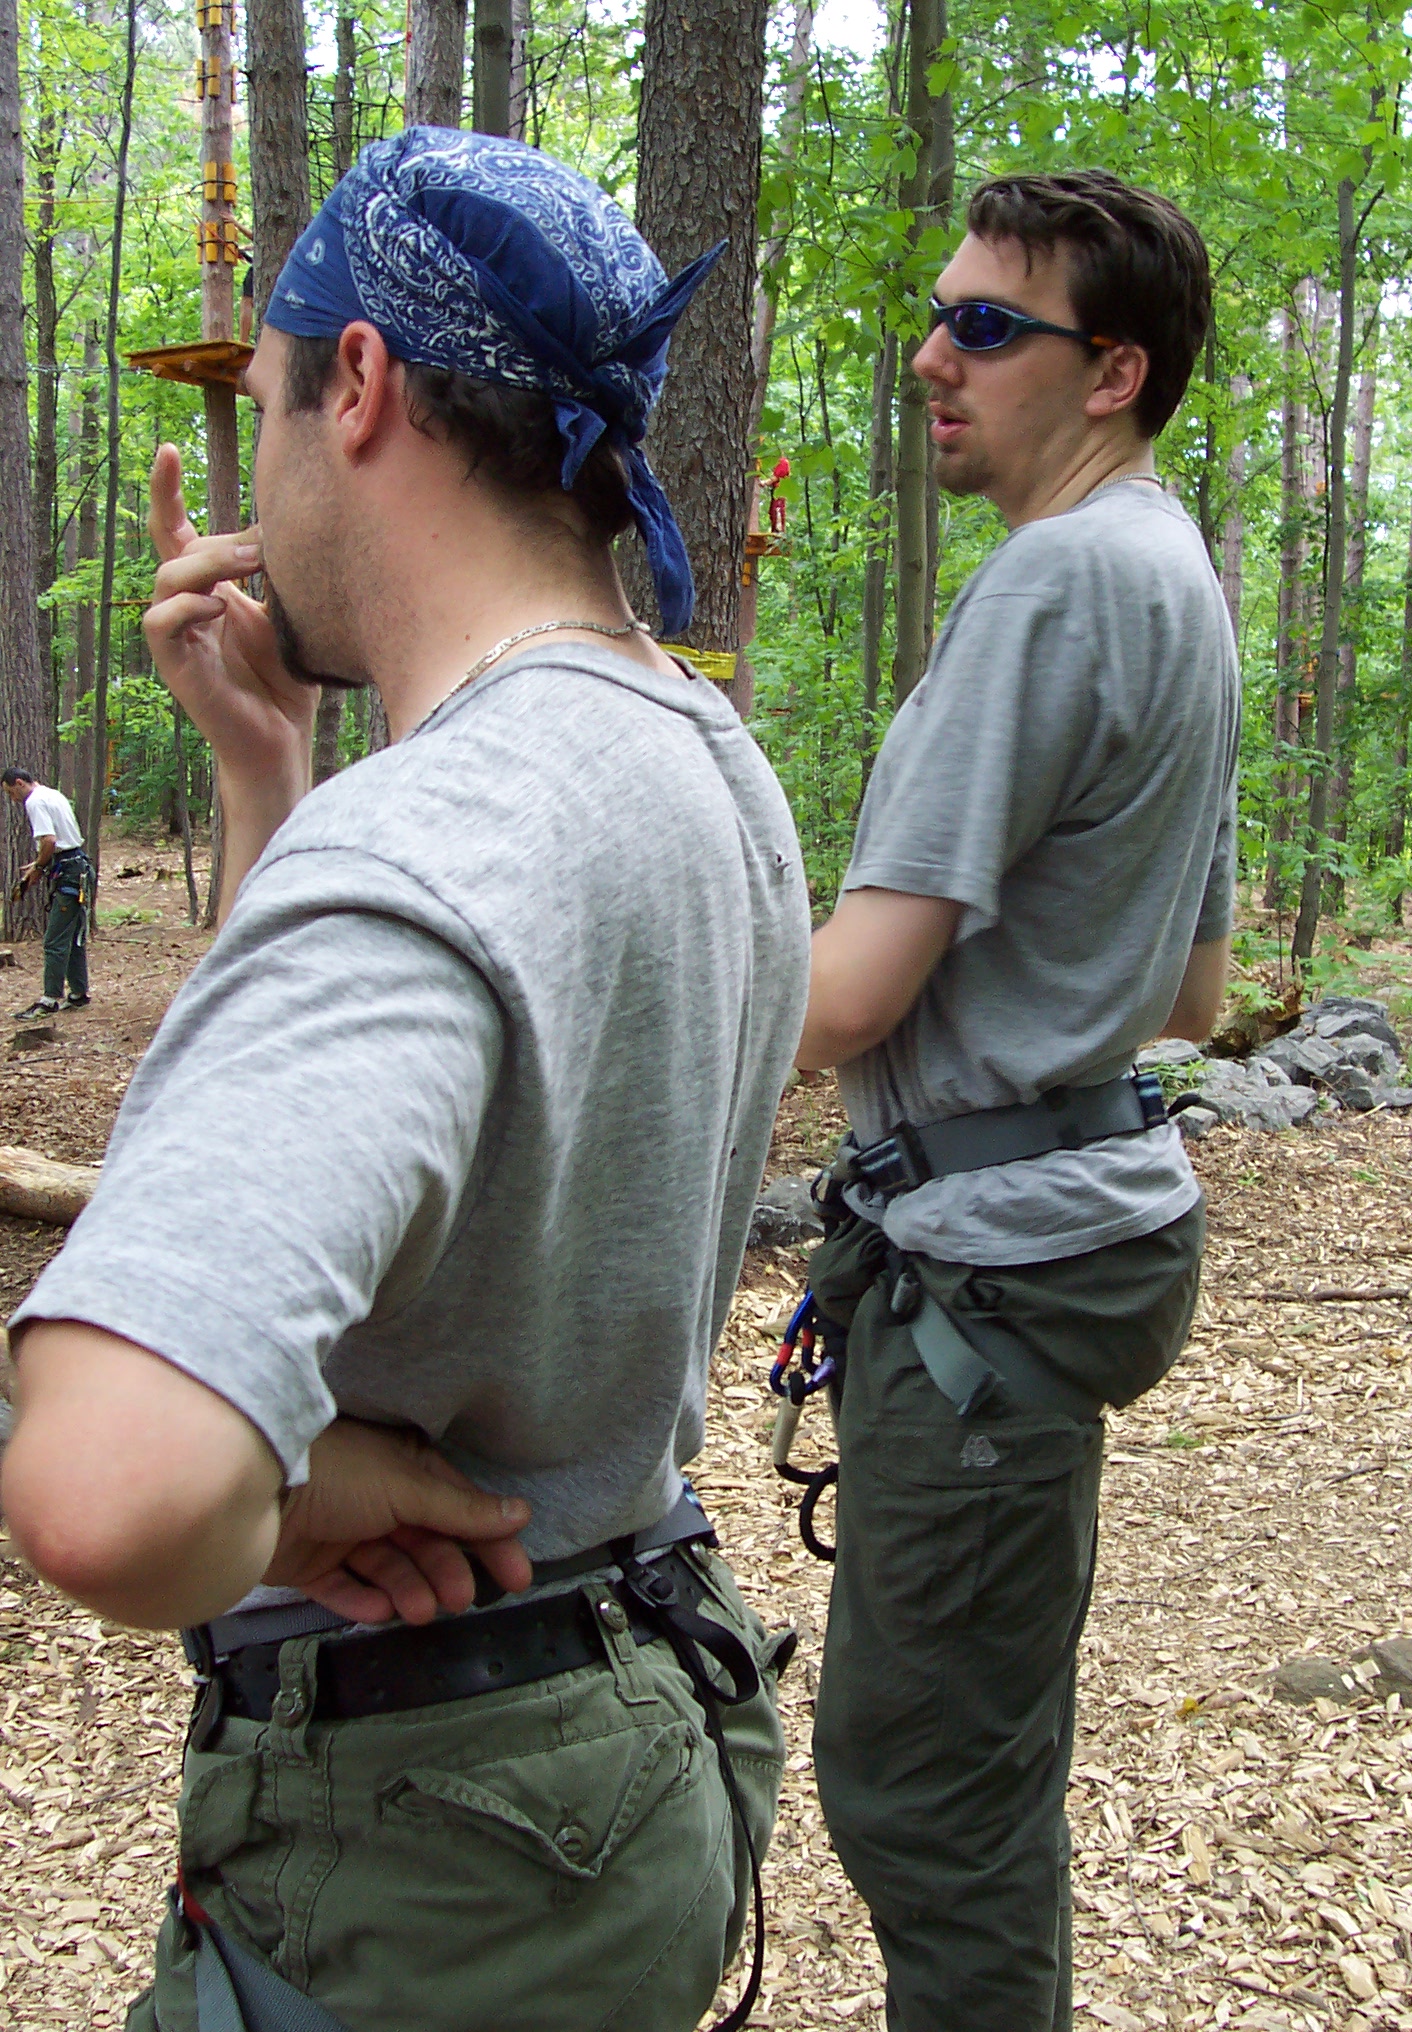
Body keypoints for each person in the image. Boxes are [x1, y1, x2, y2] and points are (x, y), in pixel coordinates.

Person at [3, 128, 809, 2032]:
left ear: (355, 381)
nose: (253, 483)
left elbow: (110, 1492)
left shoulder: (430, 839)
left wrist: (283, 1485)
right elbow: (371, 1147)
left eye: (271, 402)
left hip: (425, 1838)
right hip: (619, 1727)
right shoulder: (697, 755)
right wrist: (267, 782)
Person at [796, 170, 1239, 2032]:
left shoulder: (1054, 580)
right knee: (968, 1773)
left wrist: (629, 962)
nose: (931, 357)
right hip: (1069, 1229)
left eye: (984, 327)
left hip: (991, 1275)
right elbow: (1194, 995)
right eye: (938, 316)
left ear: (1111, 370)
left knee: (928, 1803)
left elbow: (841, 1001)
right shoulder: (1175, 572)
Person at [3, 767, 92, 1017]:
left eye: (11, 793)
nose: (13, 799)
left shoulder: (34, 801)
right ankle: (78, 993)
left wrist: (39, 867)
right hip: (77, 866)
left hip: (69, 873)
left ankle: (50, 999)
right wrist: (40, 864)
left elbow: (50, 841)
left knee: (54, 940)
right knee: (73, 937)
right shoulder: (53, 794)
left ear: (19, 783)